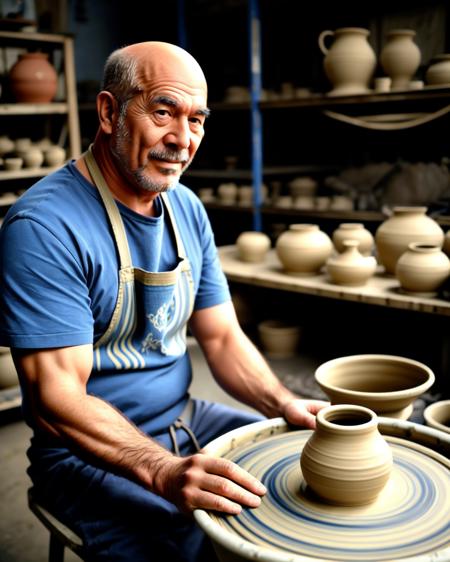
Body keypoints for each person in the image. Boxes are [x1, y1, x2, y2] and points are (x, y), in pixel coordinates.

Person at [0, 41, 327, 561]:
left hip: (186, 416)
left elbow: (220, 337)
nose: (182, 140)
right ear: (109, 112)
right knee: (192, 545)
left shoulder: (187, 208)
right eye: (163, 111)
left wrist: (282, 402)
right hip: (84, 457)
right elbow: (55, 401)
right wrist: (163, 470)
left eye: (196, 119)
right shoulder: (44, 227)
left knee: (307, 469)